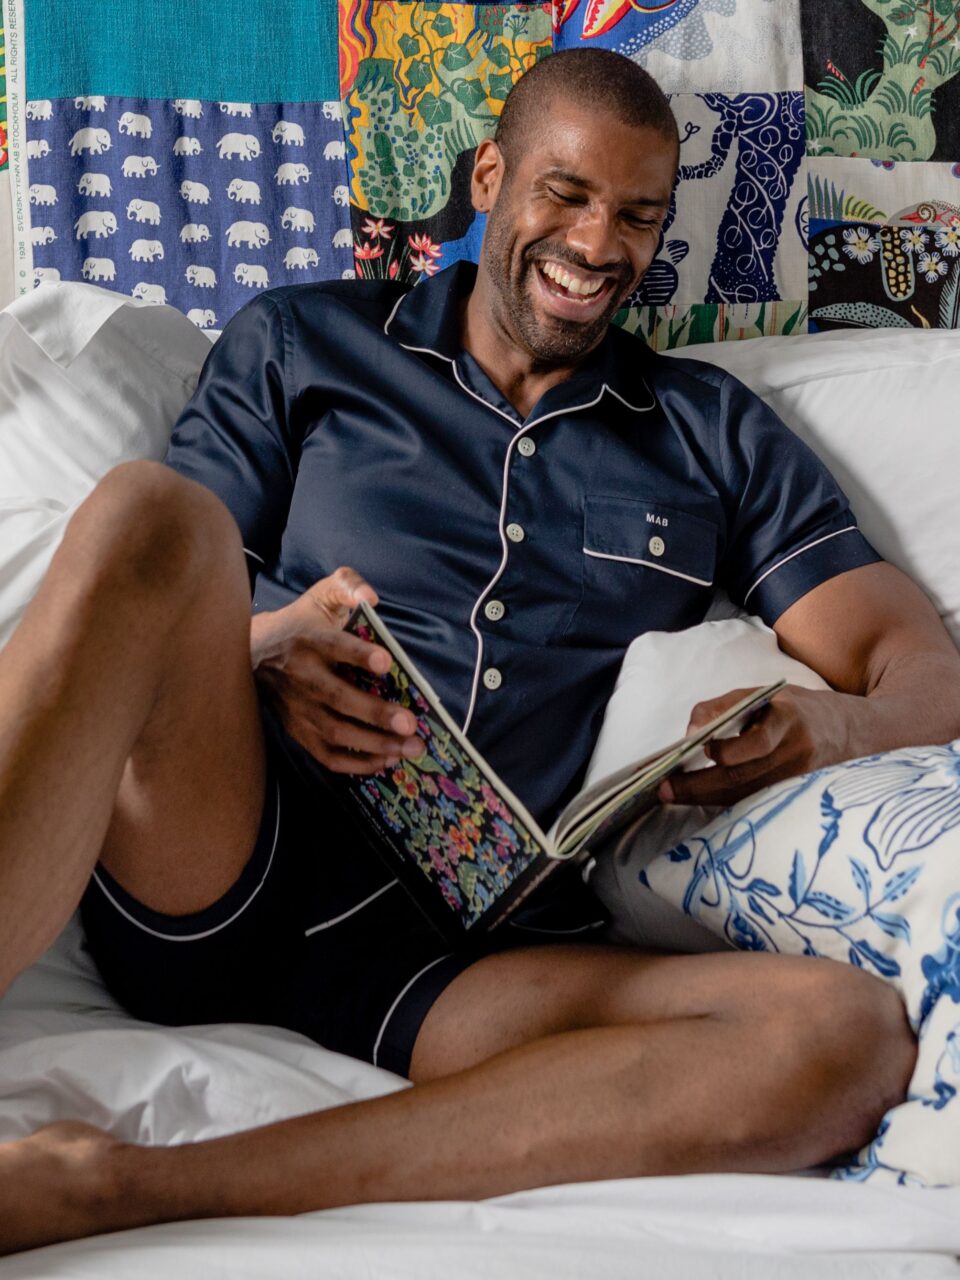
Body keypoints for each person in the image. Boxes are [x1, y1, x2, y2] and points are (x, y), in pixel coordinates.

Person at [0, 47, 955, 1254]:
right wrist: (267, 645)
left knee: (847, 1037)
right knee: (148, 512)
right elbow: (166, 594)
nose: (600, 243)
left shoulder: (710, 431)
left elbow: (920, 663)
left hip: (464, 957)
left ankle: (120, 1186)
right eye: (565, 193)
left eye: (639, 214)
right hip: (226, 847)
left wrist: (840, 724)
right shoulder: (305, 341)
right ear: (491, 175)